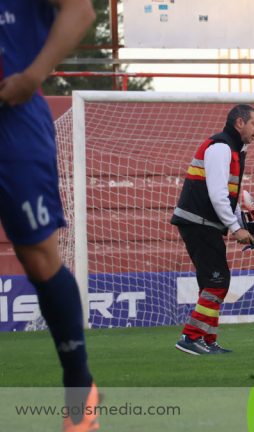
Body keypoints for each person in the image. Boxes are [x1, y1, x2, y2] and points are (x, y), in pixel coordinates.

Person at [0, 1, 98, 430]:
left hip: (14, 117)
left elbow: (80, 11)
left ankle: (79, 384)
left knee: (39, 258)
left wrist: (32, 76)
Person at [171, 104, 254, 355]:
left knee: (212, 282)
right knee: (217, 281)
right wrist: (235, 228)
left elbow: (227, 197)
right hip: (198, 223)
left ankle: (207, 340)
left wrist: (238, 223)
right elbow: (218, 195)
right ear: (239, 123)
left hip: (203, 223)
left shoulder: (231, 149)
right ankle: (191, 337)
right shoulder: (221, 148)